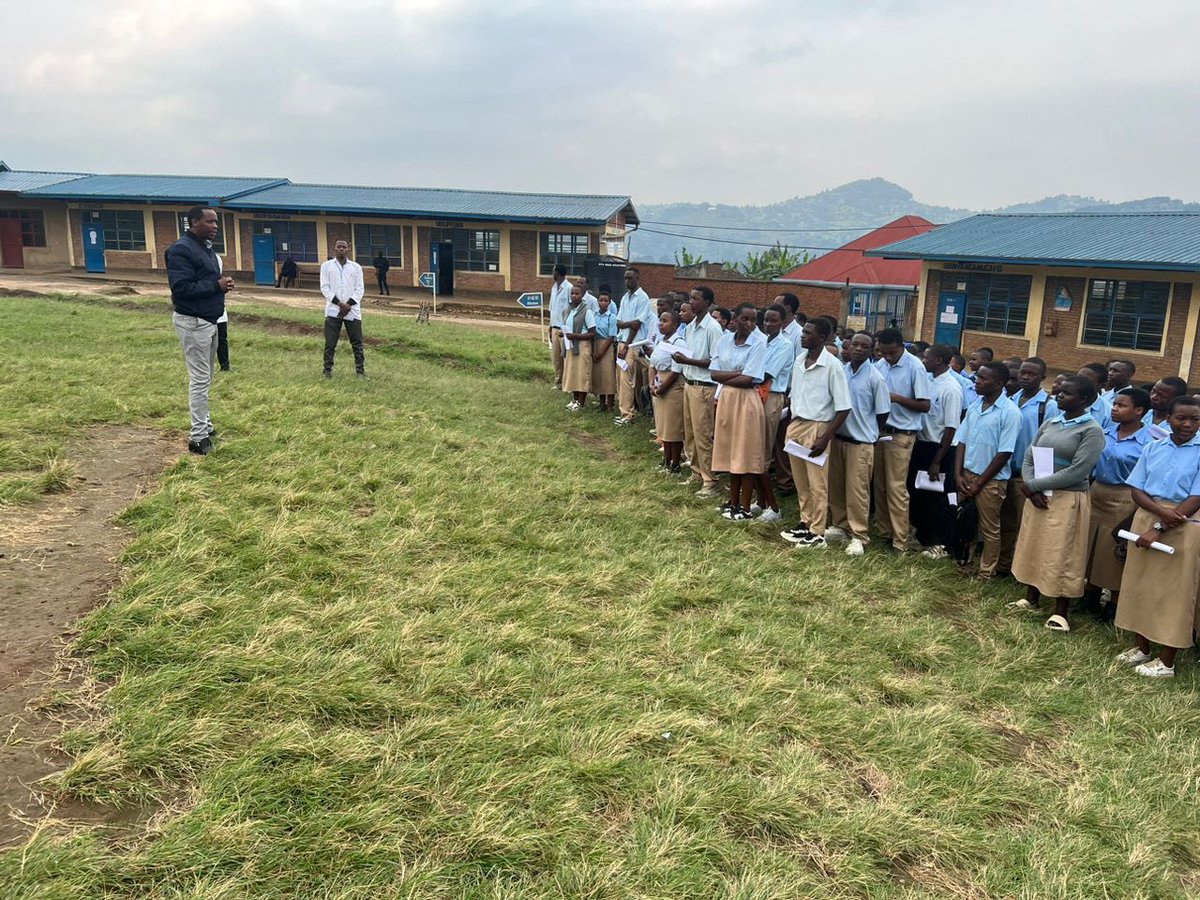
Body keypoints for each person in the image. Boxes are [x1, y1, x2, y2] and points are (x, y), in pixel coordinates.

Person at [1009, 375, 1107, 631]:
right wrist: (1031, 485)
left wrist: (1034, 486)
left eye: (1067, 393)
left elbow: (1078, 471)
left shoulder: (1091, 430)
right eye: (1059, 392)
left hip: (1066, 498)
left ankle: (1060, 611)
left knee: (1062, 551)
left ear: (1084, 399)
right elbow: (1030, 455)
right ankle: (1032, 597)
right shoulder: (1052, 422)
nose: (1059, 396)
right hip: (1038, 495)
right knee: (1035, 544)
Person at [1113, 396, 1200, 678]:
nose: (1187, 424)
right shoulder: (1153, 446)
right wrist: (1158, 514)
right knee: (1140, 583)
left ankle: (1166, 661)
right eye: (1181, 418)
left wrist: (1161, 526)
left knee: (1173, 593)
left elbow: (1196, 497)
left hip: (1183, 526)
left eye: (1195, 420)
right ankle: (1142, 647)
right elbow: (1137, 489)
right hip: (1149, 516)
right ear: (1168, 418)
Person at [165, 205, 234, 455]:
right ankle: (197, 438)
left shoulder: (204, 248)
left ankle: (205, 424)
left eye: (217, 222)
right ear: (193, 222)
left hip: (210, 321)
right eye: (210, 222)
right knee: (199, 379)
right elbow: (181, 289)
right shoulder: (181, 250)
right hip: (193, 322)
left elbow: (204, 282)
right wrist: (216, 286)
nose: (215, 226)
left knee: (207, 378)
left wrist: (221, 285)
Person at [779, 317, 851, 549]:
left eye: (808, 333)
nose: (802, 335)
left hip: (818, 427)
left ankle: (818, 532)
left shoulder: (832, 366)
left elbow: (843, 408)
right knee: (801, 480)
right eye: (803, 332)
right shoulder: (800, 360)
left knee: (817, 483)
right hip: (797, 423)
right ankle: (805, 521)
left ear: (821, 338)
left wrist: (824, 438)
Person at [1082, 388, 1152, 618]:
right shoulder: (1105, 433)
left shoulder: (1149, 442)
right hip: (1097, 492)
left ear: (1139, 411)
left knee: (1114, 551)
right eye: (1114, 404)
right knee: (1090, 545)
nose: (1114, 408)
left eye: (1122, 405)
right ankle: (1088, 595)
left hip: (1125, 498)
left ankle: (1113, 604)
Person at [952, 361, 1021, 579]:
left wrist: (979, 483)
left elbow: (1004, 453)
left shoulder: (1010, 412)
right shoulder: (975, 406)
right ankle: (966, 562)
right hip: (966, 475)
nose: (977, 382)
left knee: (990, 528)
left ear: (999, 383)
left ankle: (986, 572)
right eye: (977, 377)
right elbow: (961, 441)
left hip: (990, 481)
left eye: (983, 378)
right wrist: (958, 475)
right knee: (966, 520)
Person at [827, 332, 890, 556]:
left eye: (865, 346)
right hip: (838, 438)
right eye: (855, 344)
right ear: (848, 346)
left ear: (872, 350)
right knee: (836, 485)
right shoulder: (841, 372)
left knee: (857, 490)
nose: (859, 349)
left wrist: (869, 430)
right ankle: (840, 525)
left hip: (861, 443)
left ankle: (859, 535)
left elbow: (883, 413)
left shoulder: (875, 378)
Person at [872, 328, 931, 552]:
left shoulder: (915, 366)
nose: (887, 357)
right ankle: (886, 531)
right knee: (880, 485)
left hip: (902, 434)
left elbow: (925, 405)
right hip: (881, 432)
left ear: (901, 347)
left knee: (896, 488)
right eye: (882, 353)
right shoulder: (880, 365)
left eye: (891, 353)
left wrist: (896, 398)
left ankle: (901, 540)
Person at [709, 303, 769, 521]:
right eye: (745, 319)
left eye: (754, 320)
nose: (749, 324)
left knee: (745, 453)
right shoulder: (724, 340)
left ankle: (744, 506)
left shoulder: (759, 343)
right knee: (729, 450)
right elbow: (713, 374)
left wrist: (731, 375)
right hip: (726, 398)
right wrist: (737, 373)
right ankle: (732, 501)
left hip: (746, 401)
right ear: (735, 318)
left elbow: (750, 379)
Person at [998, 357, 1049, 575]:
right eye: (1023, 373)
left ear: (1042, 378)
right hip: (1005, 471)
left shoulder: (1048, 406)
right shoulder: (1010, 398)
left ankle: (1024, 569)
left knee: (1025, 526)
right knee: (1005, 523)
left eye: (1032, 374)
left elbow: (1048, 445)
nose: (1025, 377)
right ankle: (1005, 564)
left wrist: (1041, 485)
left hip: (1027, 477)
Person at [671, 286, 724, 499]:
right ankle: (696, 472)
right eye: (691, 298)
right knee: (690, 432)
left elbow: (715, 361)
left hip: (703, 386)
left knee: (703, 435)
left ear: (707, 302)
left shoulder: (713, 328)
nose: (691, 302)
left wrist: (687, 360)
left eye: (696, 299)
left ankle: (710, 480)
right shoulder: (691, 326)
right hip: (689, 383)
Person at [912, 344, 963, 559]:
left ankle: (942, 544)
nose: (923, 361)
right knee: (920, 495)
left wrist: (936, 461)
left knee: (938, 499)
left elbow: (951, 428)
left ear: (939, 360)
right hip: (922, 445)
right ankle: (923, 536)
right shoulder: (928, 381)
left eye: (927, 357)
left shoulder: (951, 388)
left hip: (940, 449)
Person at [755, 304, 795, 523]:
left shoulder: (785, 345)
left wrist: (742, 373)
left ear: (782, 322)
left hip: (771, 397)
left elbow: (764, 374)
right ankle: (760, 501)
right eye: (766, 321)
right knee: (754, 451)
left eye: (773, 321)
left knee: (764, 451)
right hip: (754, 395)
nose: (768, 324)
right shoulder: (760, 341)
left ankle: (773, 507)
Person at [649, 310, 688, 474]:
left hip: (671, 386)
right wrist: (652, 383)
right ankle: (666, 459)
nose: (661, 324)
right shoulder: (660, 341)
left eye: (665, 321)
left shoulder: (679, 343)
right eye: (660, 320)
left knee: (673, 426)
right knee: (663, 425)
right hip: (658, 382)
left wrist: (662, 388)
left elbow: (676, 370)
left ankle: (675, 462)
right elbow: (652, 363)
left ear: (675, 325)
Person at [320, 239, 366, 378]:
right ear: (335, 248)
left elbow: (360, 289)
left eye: (344, 247)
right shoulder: (327, 266)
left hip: (352, 311)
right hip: (334, 310)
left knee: (357, 343)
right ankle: (327, 371)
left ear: (348, 249)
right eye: (339, 247)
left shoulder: (356, 267)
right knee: (330, 343)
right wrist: (340, 304)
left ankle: (360, 372)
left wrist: (348, 304)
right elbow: (325, 288)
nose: (341, 249)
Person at [614, 268, 652, 426]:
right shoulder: (625, 297)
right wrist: (627, 324)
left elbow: (637, 324)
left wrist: (627, 345)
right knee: (621, 379)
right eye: (625, 278)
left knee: (627, 379)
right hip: (622, 341)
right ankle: (625, 410)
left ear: (638, 278)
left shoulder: (642, 298)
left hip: (631, 343)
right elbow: (618, 322)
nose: (627, 281)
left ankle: (627, 414)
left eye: (630, 278)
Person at [561, 284, 595, 410]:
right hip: (570, 345)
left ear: (582, 295)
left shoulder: (587, 311)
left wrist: (576, 336)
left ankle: (581, 402)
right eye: (572, 293)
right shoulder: (569, 310)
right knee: (573, 374)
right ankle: (574, 400)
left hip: (581, 346)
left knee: (581, 375)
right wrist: (563, 333)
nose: (574, 296)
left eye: (577, 293)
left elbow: (592, 332)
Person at [591, 289, 618, 413]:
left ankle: (610, 404)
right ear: (597, 301)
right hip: (595, 343)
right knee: (599, 375)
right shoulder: (594, 315)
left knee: (608, 375)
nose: (603, 303)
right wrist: (594, 351)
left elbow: (611, 336)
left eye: (605, 301)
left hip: (606, 346)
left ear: (609, 302)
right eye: (601, 300)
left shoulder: (612, 317)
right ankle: (601, 403)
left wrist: (601, 352)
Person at [547, 263, 572, 390]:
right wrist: (550, 327)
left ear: (558, 273)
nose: (552, 274)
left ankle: (567, 383)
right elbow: (552, 308)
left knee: (565, 357)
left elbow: (571, 308)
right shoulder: (553, 288)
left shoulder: (569, 288)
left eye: (553, 271)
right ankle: (558, 381)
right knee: (556, 357)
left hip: (564, 329)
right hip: (554, 327)